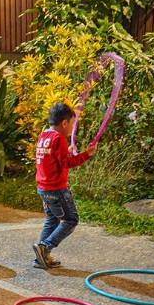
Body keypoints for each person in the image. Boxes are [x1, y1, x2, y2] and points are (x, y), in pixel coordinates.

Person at [33, 101, 97, 269]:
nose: (72, 129)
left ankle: (41, 258)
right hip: (57, 189)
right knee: (71, 220)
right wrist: (87, 154)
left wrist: (66, 151)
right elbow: (66, 163)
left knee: (52, 219)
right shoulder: (59, 138)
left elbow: (53, 159)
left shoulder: (44, 136)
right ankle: (45, 246)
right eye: (72, 124)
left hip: (43, 188)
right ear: (64, 123)